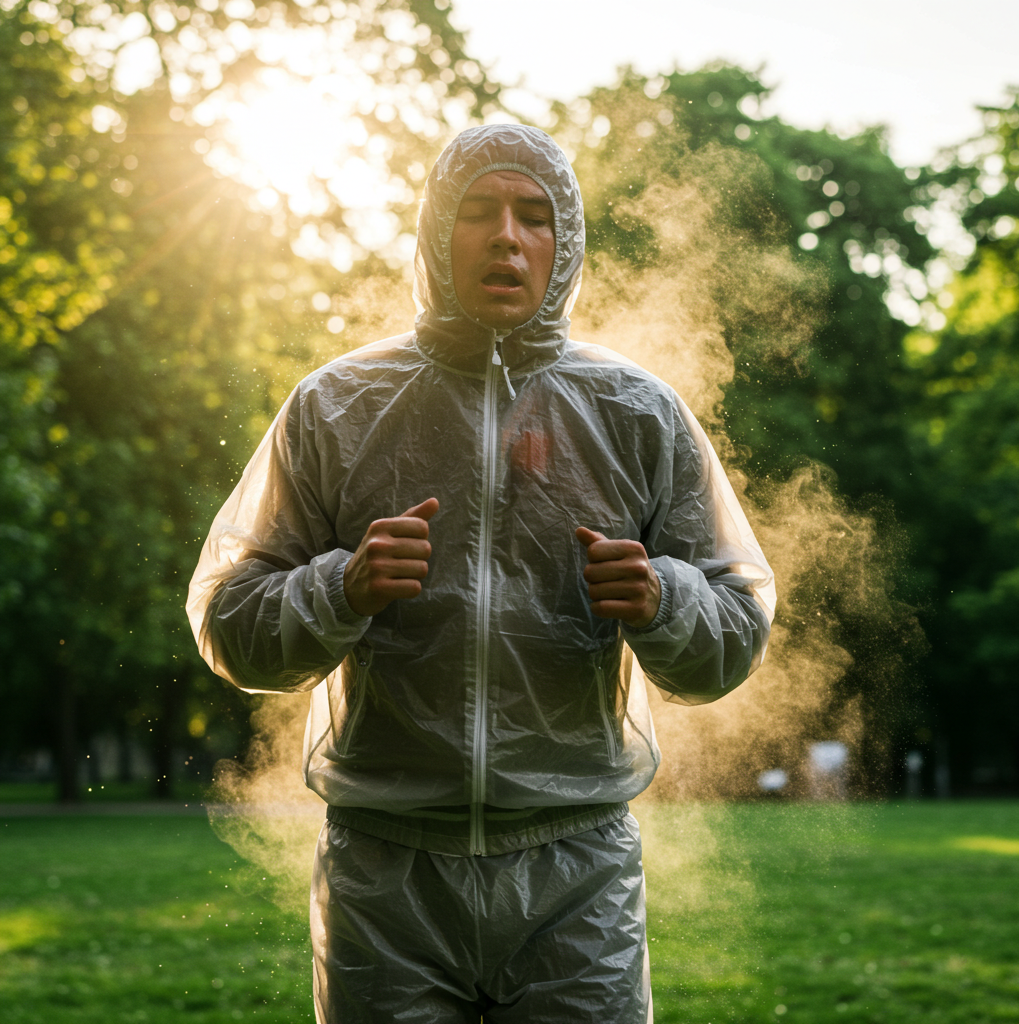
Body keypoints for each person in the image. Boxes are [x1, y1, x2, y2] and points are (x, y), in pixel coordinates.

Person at [187, 123, 775, 1024]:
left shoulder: (636, 411)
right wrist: (341, 587)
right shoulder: (337, 405)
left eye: (535, 216)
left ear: (565, 245)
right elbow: (231, 623)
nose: (507, 235)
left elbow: (734, 633)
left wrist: (665, 599)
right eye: (479, 211)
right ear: (434, 234)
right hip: (385, 873)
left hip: (577, 869)